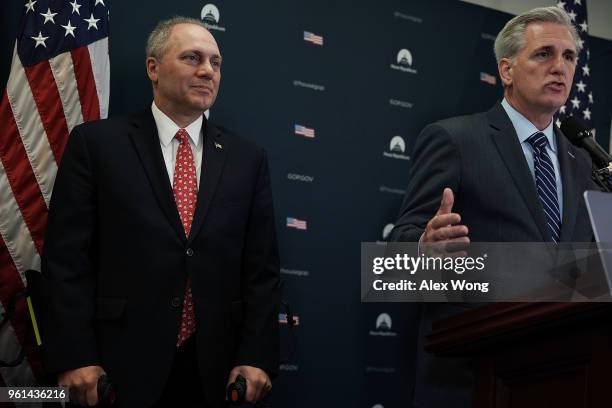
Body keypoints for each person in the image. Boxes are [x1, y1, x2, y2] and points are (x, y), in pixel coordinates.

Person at [41, 17, 280, 408]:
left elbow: (262, 271)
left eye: (216, 63)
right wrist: (74, 355)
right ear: (153, 67)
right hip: (114, 369)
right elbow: (66, 262)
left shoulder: (248, 160)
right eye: (192, 58)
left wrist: (256, 357)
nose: (207, 71)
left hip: (215, 372)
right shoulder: (97, 145)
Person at [389, 6, 598, 408]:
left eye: (569, 56)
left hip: (563, 377)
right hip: (472, 378)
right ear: (506, 70)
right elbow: (400, 251)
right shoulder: (455, 140)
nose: (560, 67)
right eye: (544, 54)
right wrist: (423, 251)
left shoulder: (583, 158)